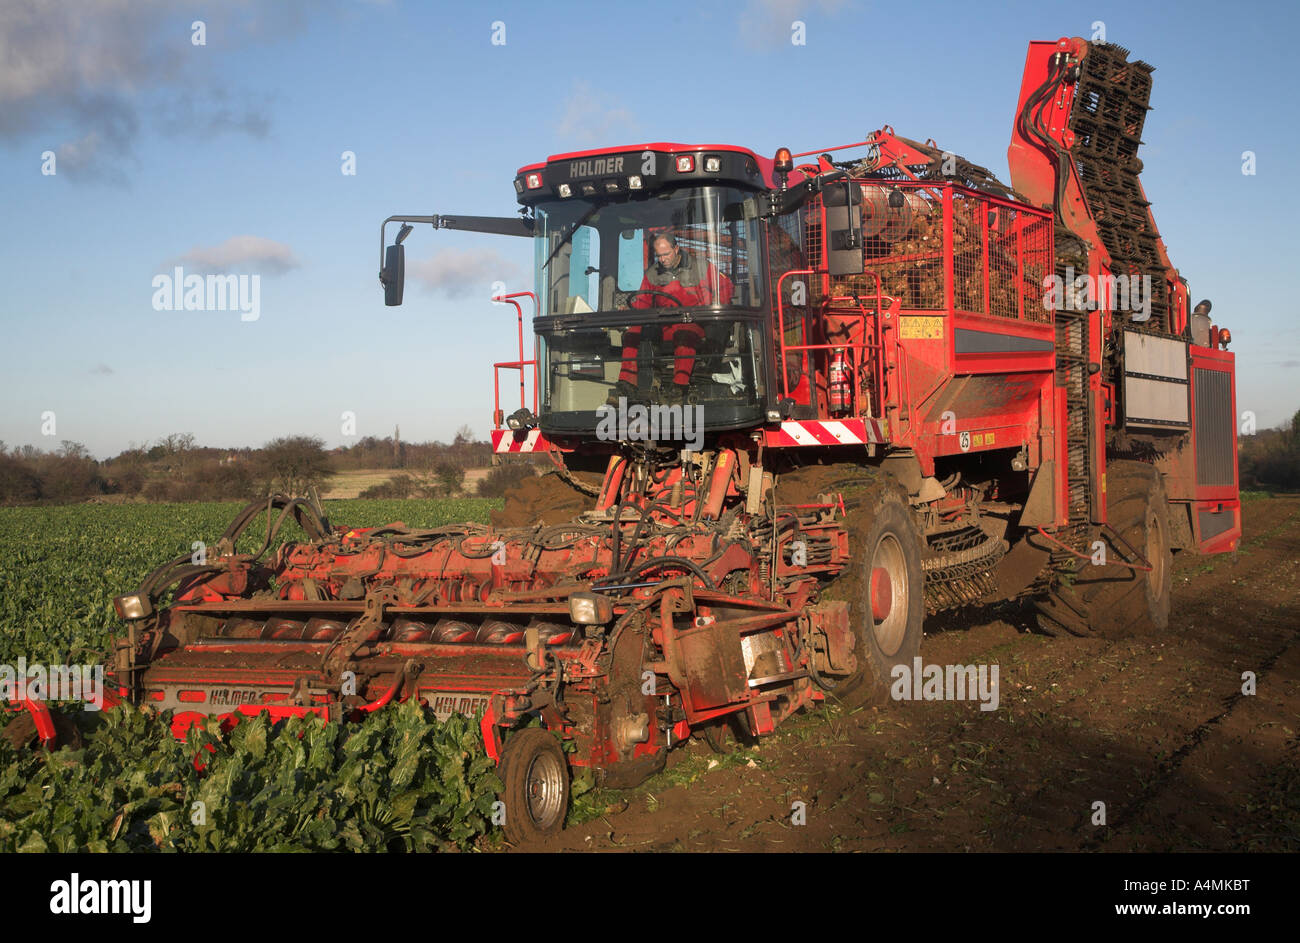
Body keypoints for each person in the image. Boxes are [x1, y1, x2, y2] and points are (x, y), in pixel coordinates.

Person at [610, 234, 733, 403]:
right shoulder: (652, 274)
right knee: (633, 332)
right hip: (664, 325)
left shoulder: (701, 267)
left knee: (683, 331)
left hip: (695, 323)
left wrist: (711, 307)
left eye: (666, 254)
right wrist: (630, 310)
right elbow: (643, 303)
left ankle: (678, 387)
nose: (662, 259)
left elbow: (726, 288)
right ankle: (626, 384)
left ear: (676, 249)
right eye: (659, 255)